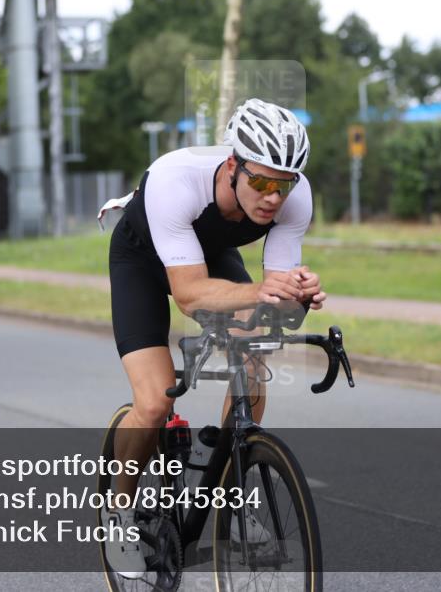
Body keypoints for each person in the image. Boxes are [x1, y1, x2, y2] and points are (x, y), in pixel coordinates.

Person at [100, 98, 327, 578]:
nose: (273, 197)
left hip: (211, 255)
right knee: (155, 399)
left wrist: (297, 295)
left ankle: (232, 484)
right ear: (232, 167)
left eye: (283, 186)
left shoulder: (295, 197)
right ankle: (119, 513)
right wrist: (259, 292)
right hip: (142, 260)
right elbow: (188, 296)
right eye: (261, 182)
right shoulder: (175, 181)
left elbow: (274, 299)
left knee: (253, 351)